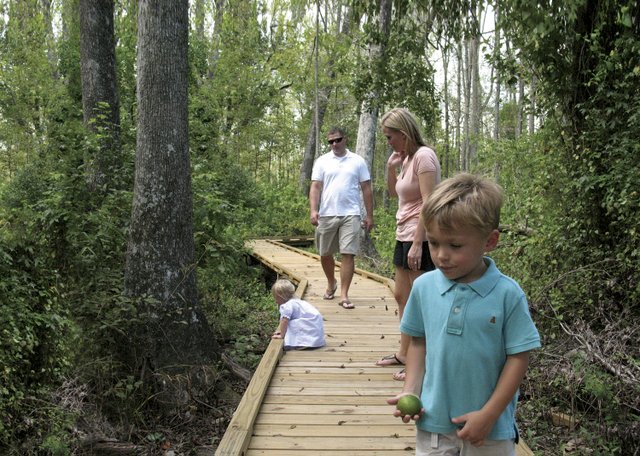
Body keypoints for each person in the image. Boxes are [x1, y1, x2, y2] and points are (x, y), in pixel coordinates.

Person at [387, 173, 541, 456]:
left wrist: (489, 415)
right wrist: (411, 390)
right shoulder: (423, 287)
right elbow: (419, 342)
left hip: (489, 431)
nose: (441, 255)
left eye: (455, 246)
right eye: (433, 243)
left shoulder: (507, 294)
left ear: (490, 241)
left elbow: (519, 357)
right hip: (433, 422)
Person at [376, 108, 441, 381]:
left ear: (403, 134)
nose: (388, 142)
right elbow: (395, 193)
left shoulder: (424, 157)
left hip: (420, 237)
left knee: (422, 301)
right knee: (402, 295)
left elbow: (430, 202)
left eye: (390, 136)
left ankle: (422, 362)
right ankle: (404, 353)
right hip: (403, 232)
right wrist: (392, 167)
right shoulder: (407, 158)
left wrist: (417, 243)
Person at [309, 126, 374, 309]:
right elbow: (315, 187)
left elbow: (367, 188)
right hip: (327, 213)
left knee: (348, 253)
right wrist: (313, 210)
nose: (334, 144)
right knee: (325, 253)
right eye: (330, 141)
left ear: (346, 139)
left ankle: (344, 294)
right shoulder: (322, 161)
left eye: (337, 140)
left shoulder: (357, 161)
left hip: (351, 213)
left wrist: (369, 215)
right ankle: (331, 282)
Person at [271, 279, 326, 350]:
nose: (276, 301)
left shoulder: (286, 306)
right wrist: (281, 330)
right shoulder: (297, 301)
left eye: (276, 298)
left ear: (281, 296)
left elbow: (284, 321)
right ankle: (309, 341)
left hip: (309, 324)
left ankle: (302, 342)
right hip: (315, 327)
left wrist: (282, 335)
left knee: (289, 323)